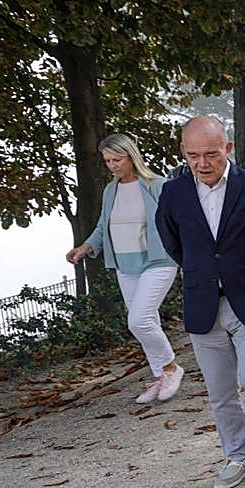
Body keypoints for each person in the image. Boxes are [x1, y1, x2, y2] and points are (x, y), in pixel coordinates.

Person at [155, 116, 245, 488]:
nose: (202, 164)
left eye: (211, 155)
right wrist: (200, 271)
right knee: (219, 392)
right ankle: (239, 454)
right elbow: (173, 243)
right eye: (193, 156)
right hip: (203, 304)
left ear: (228, 149)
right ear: (184, 153)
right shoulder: (173, 194)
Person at [66, 134, 184, 405]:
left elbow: (179, 222)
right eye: (107, 161)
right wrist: (85, 248)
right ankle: (160, 375)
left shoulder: (157, 185)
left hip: (158, 261)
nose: (112, 165)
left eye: (117, 159)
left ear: (131, 156)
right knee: (147, 322)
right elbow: (102, 226)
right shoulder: (111, 191)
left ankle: (170, 368)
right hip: (126, 265)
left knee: (138, 320)